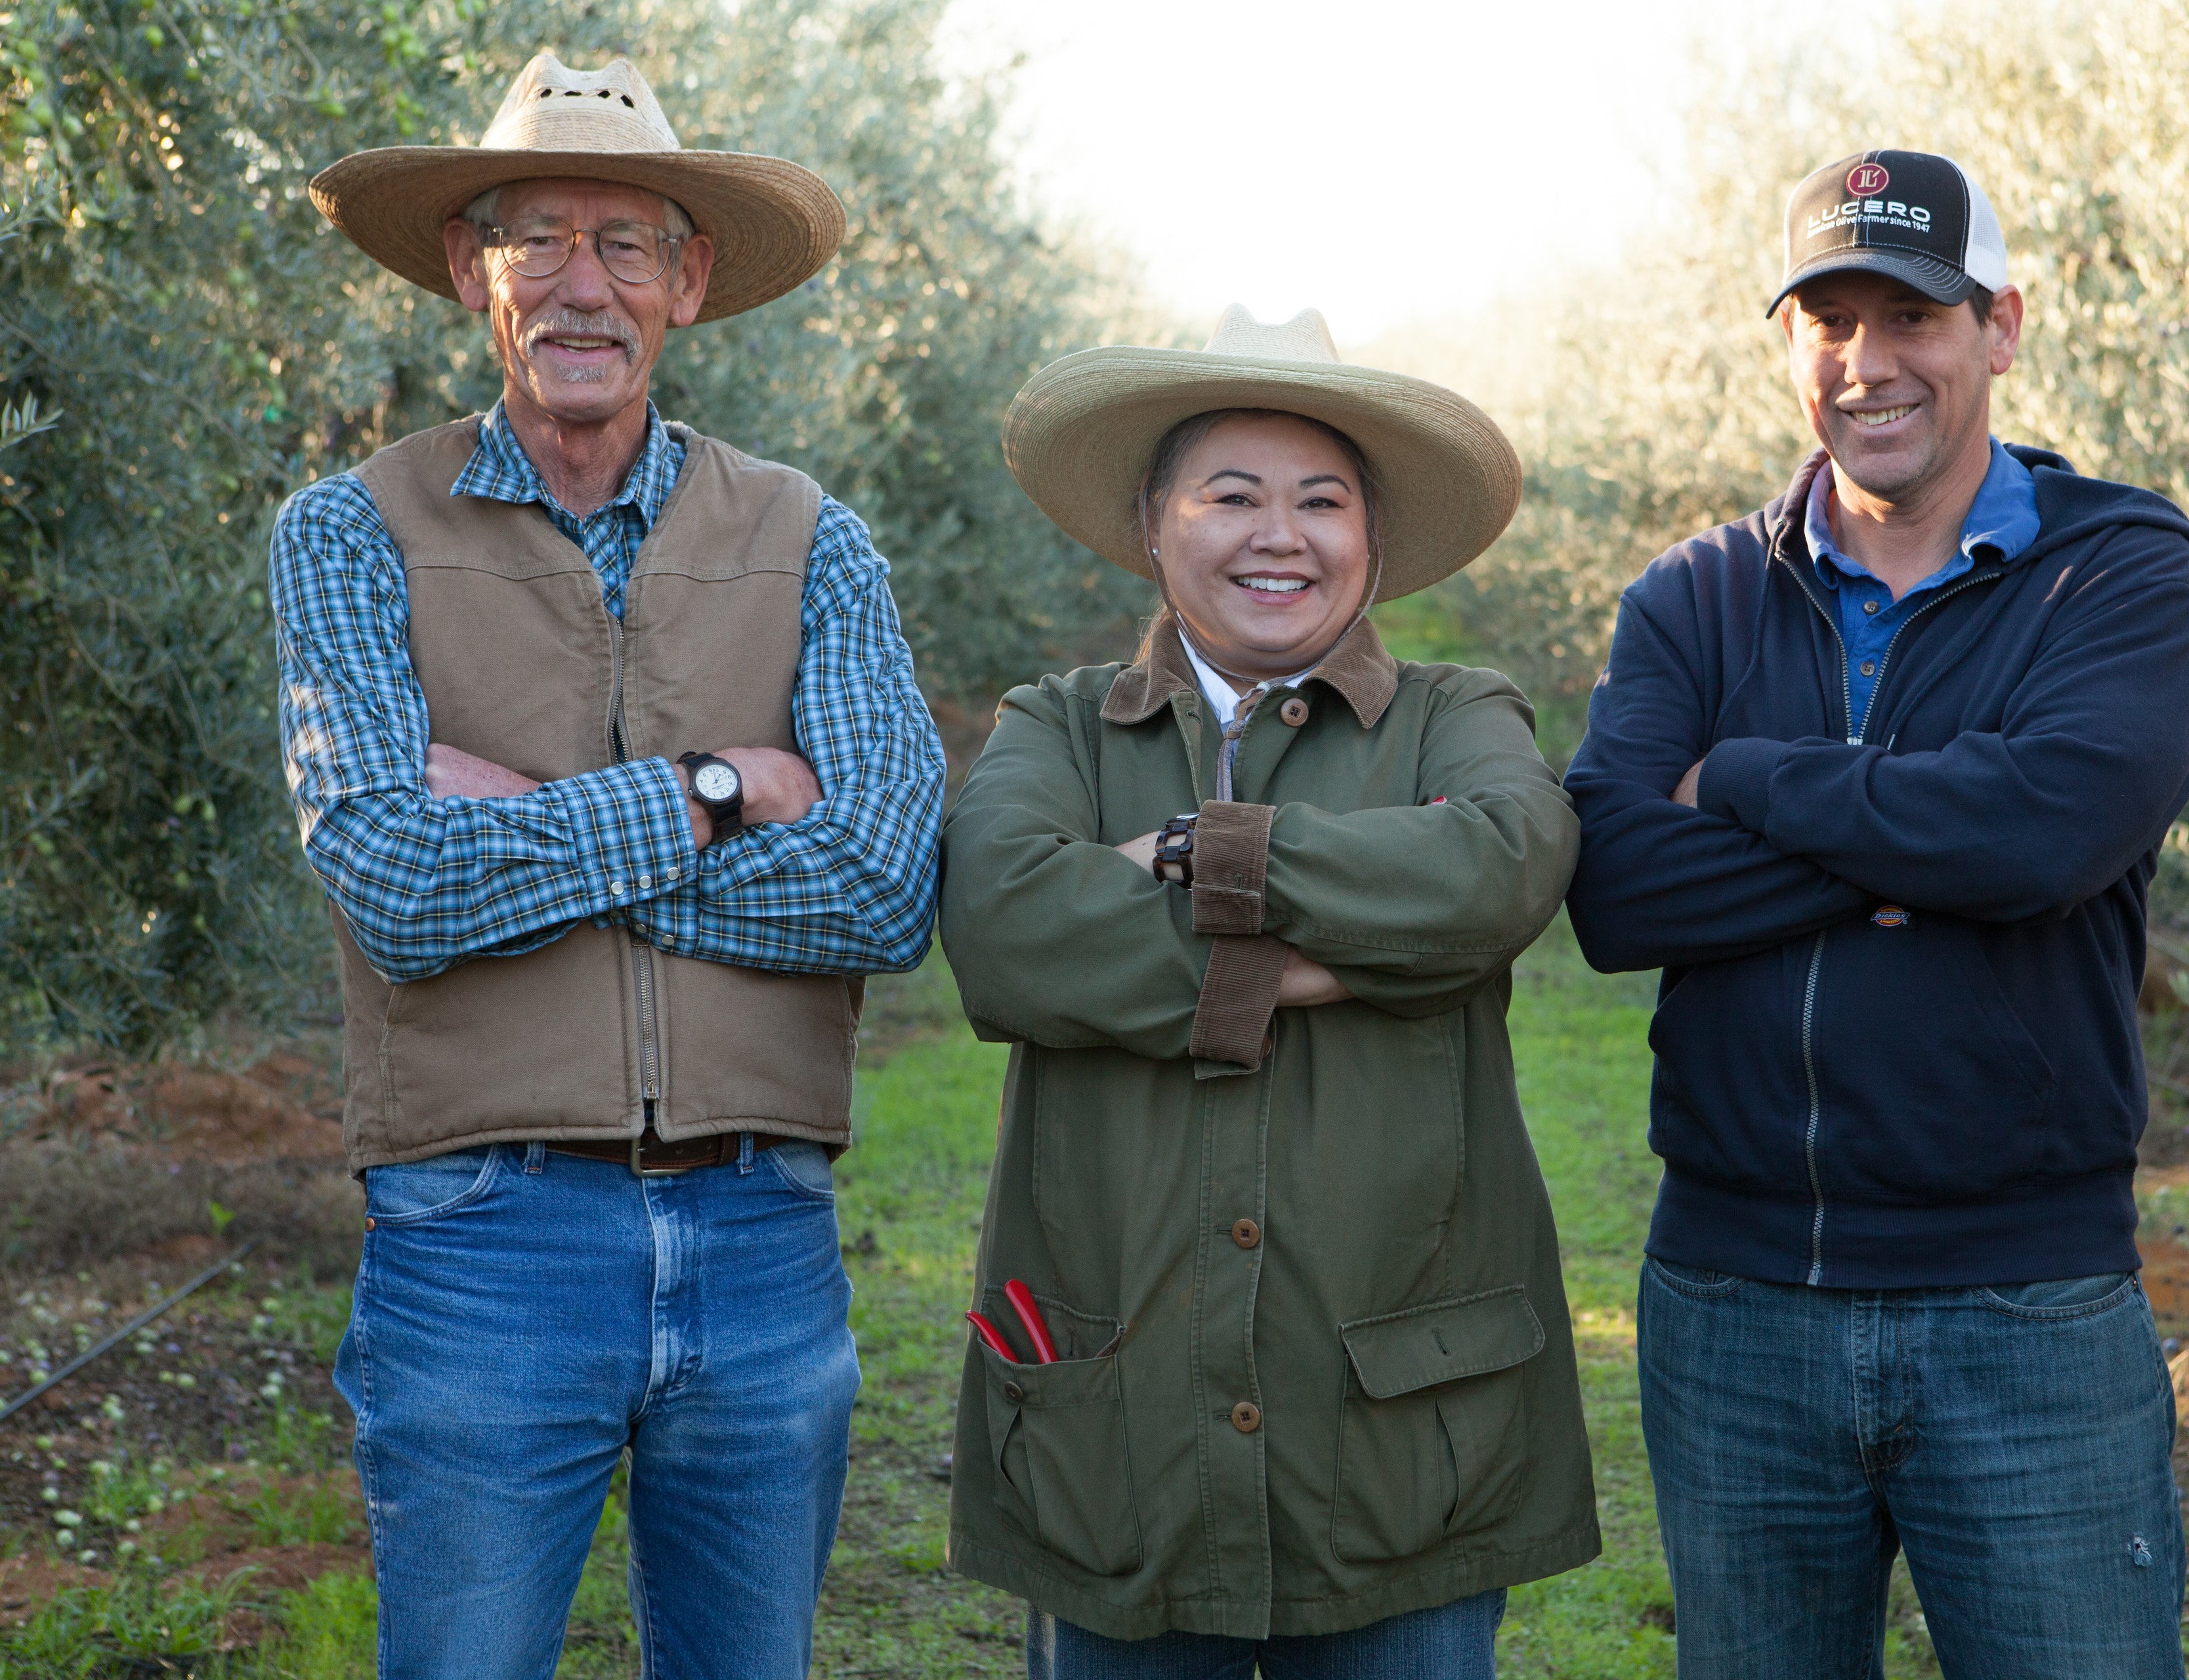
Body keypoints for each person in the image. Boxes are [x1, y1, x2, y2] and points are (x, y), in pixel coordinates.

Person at [272, 55, 943, 1680]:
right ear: (467, 268)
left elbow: (882, 890)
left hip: (762, 1229)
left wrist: (532, 818)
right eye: (540, 241)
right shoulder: (349, 532)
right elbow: (400, 887)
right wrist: (718, 787)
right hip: (477, 1236)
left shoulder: (813, 537)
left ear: (689, 282)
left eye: (627, 245)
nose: (585, 286)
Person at [1563, 149, 2189, 1677]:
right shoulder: (1696, 594)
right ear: (1787, 345)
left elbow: (2046, 832)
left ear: (1999, 325)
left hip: (2029, 1304)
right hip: (1734, 1306)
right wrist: (1936, 826)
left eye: (1912, 317)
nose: (1871, 364)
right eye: (1831, 321)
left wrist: (1742, 775)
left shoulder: (2117, 574)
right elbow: (1610, 885)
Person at [939, 306, 1600, 1677]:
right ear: (1152, 518)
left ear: (1372, 532)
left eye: (1321, 500)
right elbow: (1009, 933)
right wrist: (1335, 957)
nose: (1278, 535)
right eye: (1231, 495)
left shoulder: (1460, 710)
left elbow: (1499, 870)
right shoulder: (1053, 723)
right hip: (1114, 1433)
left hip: (1402, 1445)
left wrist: (1188, 851)